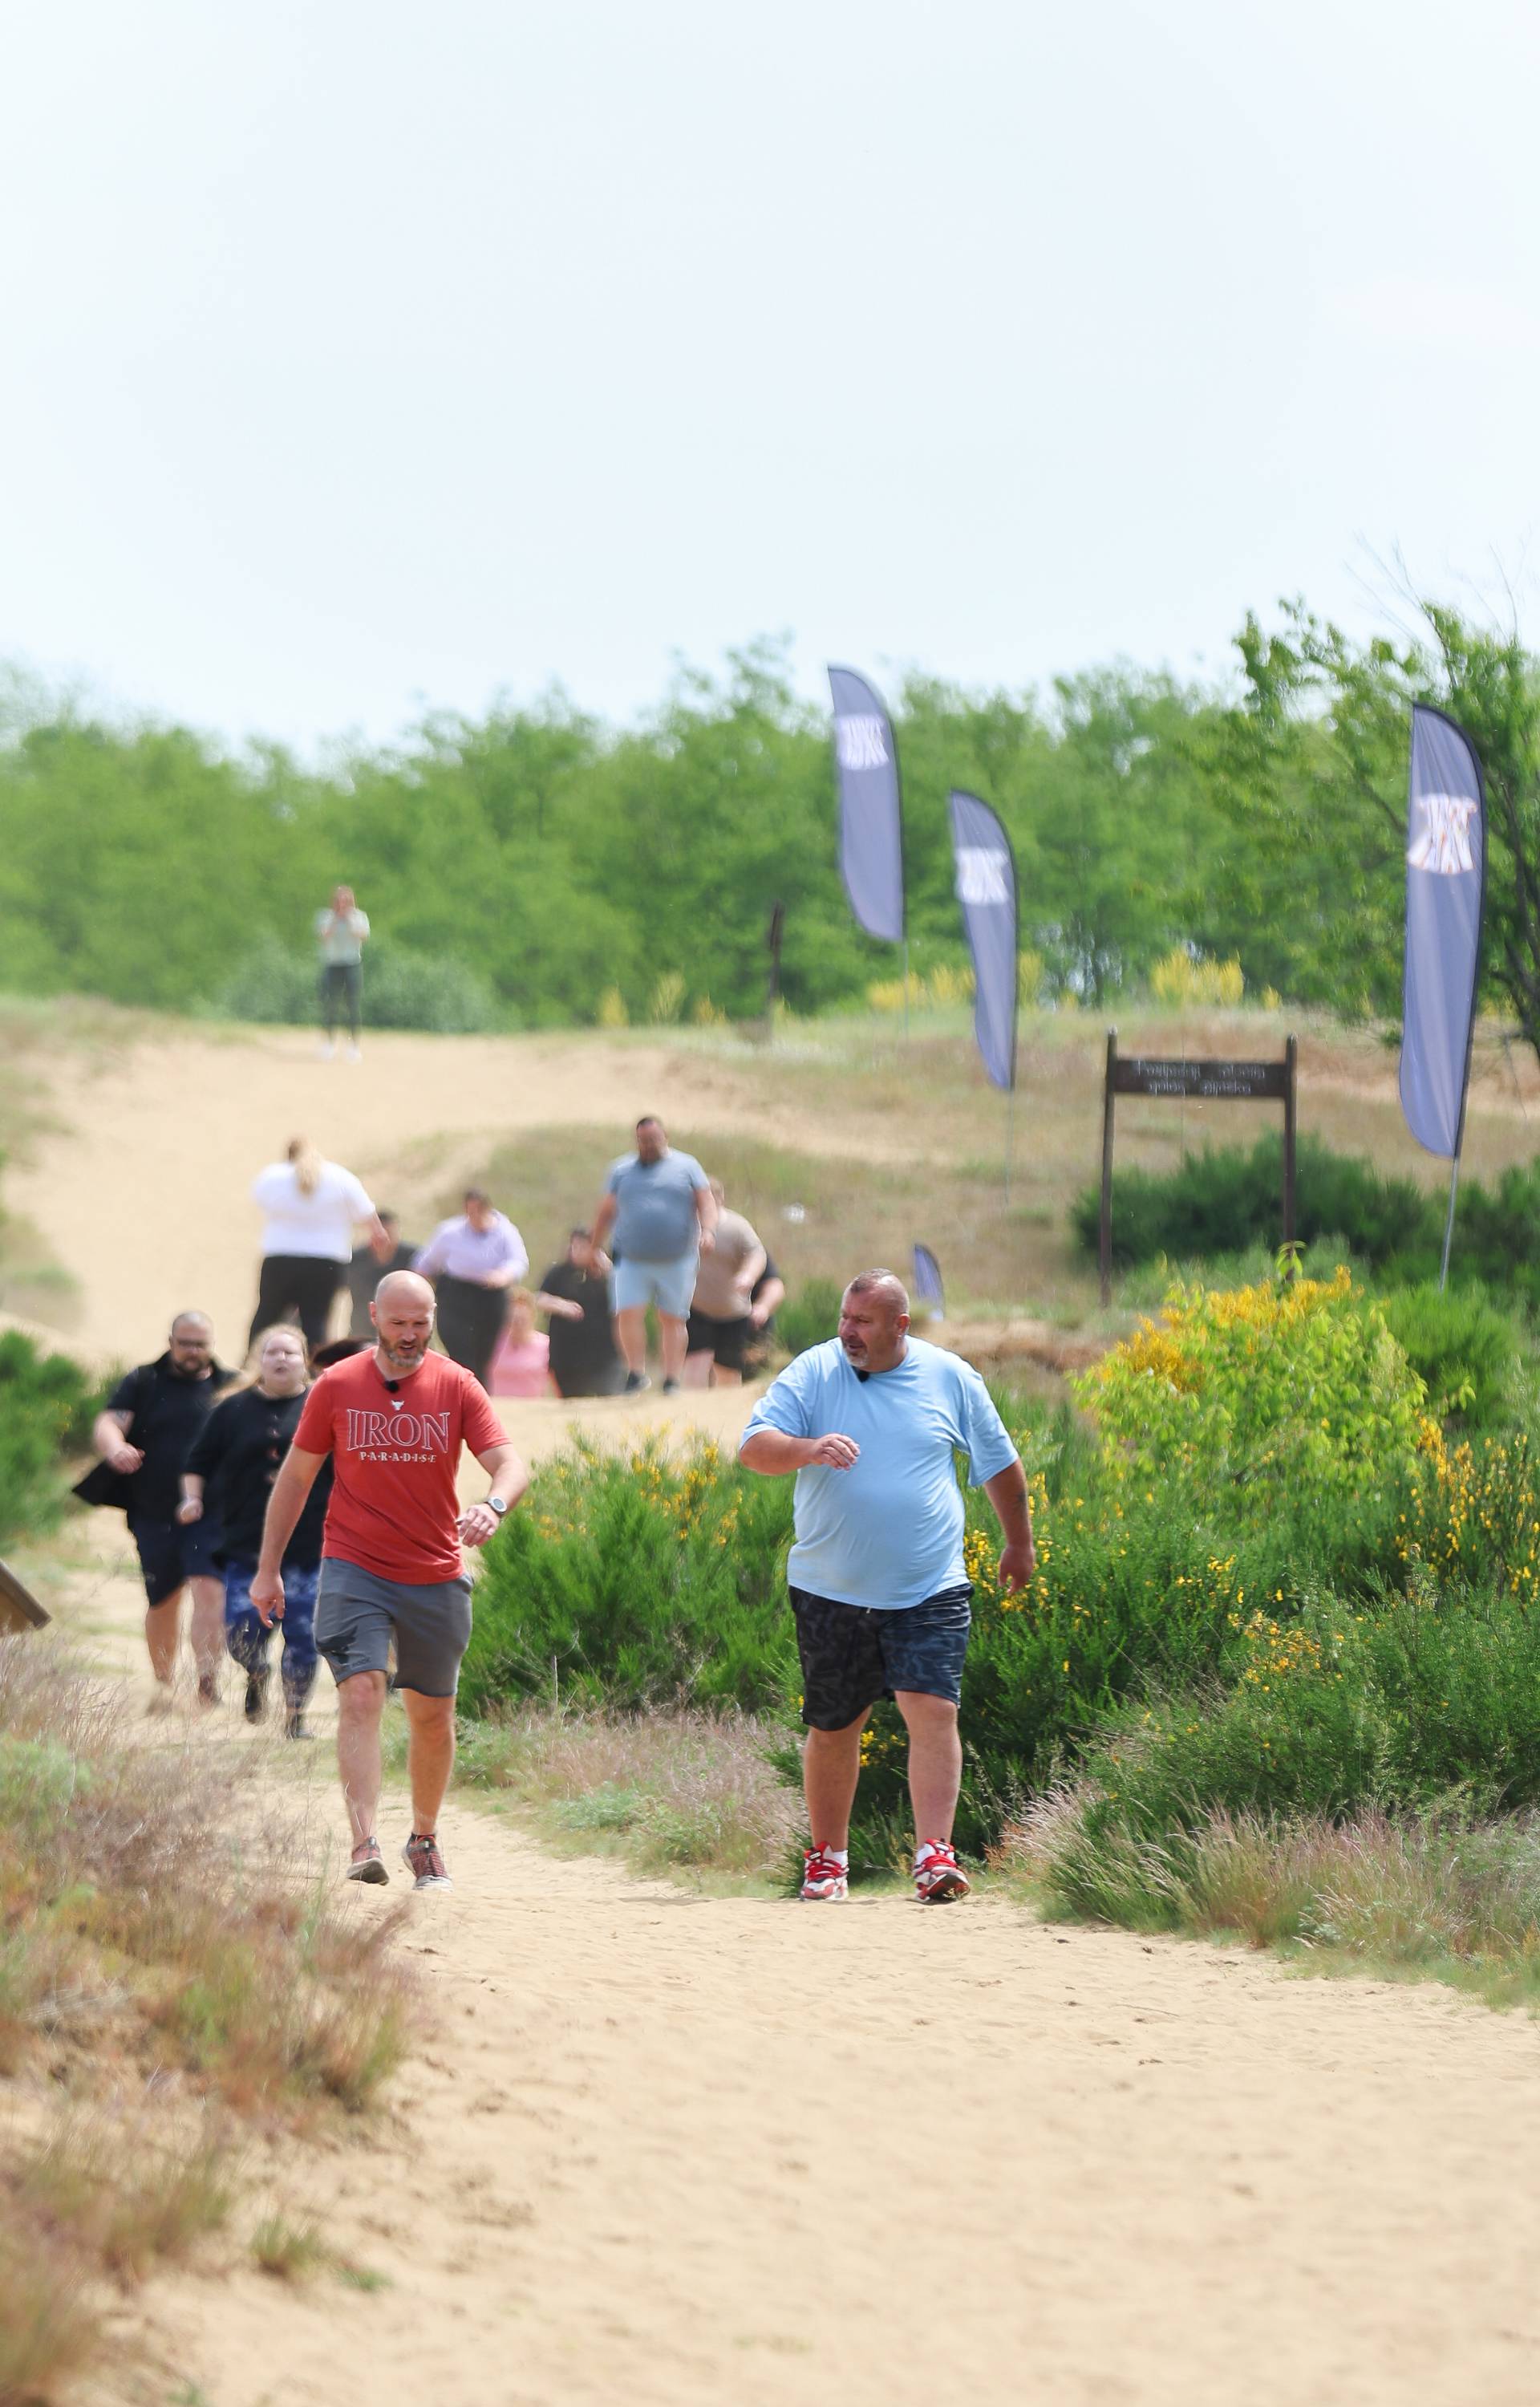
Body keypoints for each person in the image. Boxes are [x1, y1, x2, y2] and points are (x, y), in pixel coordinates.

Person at [739, 1269, 1035, 1906]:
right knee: (836, 1723)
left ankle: (934, 1855)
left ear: (900, 1326)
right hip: (831, 1586)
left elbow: (999, 1465)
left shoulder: (950, 1377)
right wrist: (808, 1447)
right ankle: (828, 1860)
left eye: (863, 1321)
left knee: (933, 1710)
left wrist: (1019, 1543)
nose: (847, 1331)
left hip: (929, 1583)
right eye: (845, 1318)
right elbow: (754, 1449)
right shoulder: (814, 1372)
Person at [250, 1269, 526, 1890]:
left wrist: (495, 1505)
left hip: (434, 1571)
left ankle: (423, 1838)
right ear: (373, 1315)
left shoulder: (457, 1385)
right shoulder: (337, 1386)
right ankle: (362, 1841)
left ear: (434, 1318)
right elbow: (295, 1481)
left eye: (420, 1323)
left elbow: (509, 1463)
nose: (409, 1335)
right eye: (398, 1323)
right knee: (361, 1694)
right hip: (354, 1566)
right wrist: (268, 1568)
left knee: (432, 1716)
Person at [180, 1325, 330, 1739]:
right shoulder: (231, 1410)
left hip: (309, 1546)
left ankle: (295, 1717)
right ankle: (256, 1673)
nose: (281, 1360)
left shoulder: (323, 1406)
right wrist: (192, 1499)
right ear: (258, 1361)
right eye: (272, 1353)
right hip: (246, 1544)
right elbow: (198, 1461)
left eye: (290, 1353)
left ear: (305, 1360)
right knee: (241, 1635)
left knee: (303, 1637)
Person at [82, 1313, 235, 1710]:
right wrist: (115, 1448)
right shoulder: (144, 1381)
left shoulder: (230, 1385)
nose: (193, 1352)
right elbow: (109, 1422)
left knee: (210, 1590)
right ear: (171, 1341)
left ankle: (206, 1683)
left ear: (211, 1343)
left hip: (214, 1511)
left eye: (201, 1344)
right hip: (153, 1509)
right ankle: (165, 1683)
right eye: (185, 1343)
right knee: (164, 1598)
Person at [591, 1117, 717, 1395]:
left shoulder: (688, 1167)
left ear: (665, 1136)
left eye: (653, 1140)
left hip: (677, 1257)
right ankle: (636, 1374)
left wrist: (708, 1231)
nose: (648, 1146)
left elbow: (705, 1201)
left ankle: (672, 1379)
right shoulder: (621, 1170)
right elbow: (606, 1211)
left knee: (672, 1317)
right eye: (643, 1141)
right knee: (626, 1313)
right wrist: (594, 1246)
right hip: (631, 1258)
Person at [249, 1138, 385, 1353]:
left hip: (280, 1258)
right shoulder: (340, 1176)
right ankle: (316, 1371)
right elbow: (368, 1215)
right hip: (326, 1261)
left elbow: (259, 1201)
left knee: (267, 1316)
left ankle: (252, 1364)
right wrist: (378, 1236)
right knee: (316, 1321)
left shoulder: (273, 1175)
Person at [413, 1191, 529, 1386]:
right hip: (456, 1295)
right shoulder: (450, 1232)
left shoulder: (506, 1231)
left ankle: (479, 1393)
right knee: (460, 1350)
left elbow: (518, 1261)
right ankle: (461, 1389)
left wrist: (503, 1275)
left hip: (490, 1295)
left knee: (484, 1353)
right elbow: (426, 1263)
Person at [683, 1179, 768, 1389]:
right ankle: (690, 1413)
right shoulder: (687, 1228)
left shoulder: (737, 1227)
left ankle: (724, 1412)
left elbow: (757, 1254)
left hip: (733, 1312)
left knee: (728, 1370)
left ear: (720, 1199)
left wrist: (747, 1276)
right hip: (697, 1307)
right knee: (695, 1362)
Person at [531, 1228, 623, 1398]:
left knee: (607, 1398)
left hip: (603, 1356)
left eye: (584, 1246)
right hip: (567, 1357)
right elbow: (539, 1298)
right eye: (575, 1246)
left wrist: (610, 1272)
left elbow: (626, 1300)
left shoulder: (609, 1276)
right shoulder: (559, 1273)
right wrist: (560, 1305)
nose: (578, 1251)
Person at [314, 883, 370, 1059]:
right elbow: (323, 936)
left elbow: (362, 935)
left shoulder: (359, 916)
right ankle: (329, 1044)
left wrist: (349, 918)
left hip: (352, 963)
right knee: (330, 1004)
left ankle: (354, 1046)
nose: (342, 903)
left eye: (346, 900)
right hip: (332, 964)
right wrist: (335, 919)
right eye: (339, 900)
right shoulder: (325, 916)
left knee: (352, 1005)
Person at [346, 1209, 417, 1339]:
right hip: (362, 1327)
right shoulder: (354, 1259)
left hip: (405, 1328)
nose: (383, 1238)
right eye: (379, 1234)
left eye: (388, 1233)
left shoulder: (412, 1257)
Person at [487, 1289, 553, 1398]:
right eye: (513, 1320)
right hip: (497, 1407)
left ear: (532, 1317)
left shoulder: (546, 1346)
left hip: (532, 1408)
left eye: (522, 1320)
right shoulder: (491, 1344)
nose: (518, 1325)